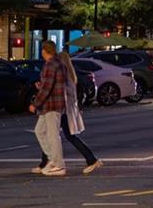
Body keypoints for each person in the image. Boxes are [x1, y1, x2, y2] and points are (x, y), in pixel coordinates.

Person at [34, 52, 102, 175]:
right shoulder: (69, 74)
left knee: (55, 135)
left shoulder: (65, 75)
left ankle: (91, 159)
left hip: (64, 109)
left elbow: (65, 91)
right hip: (65, 108)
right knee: (53, 134)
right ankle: (46, 162)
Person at [29, 40, 66, 176]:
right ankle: (52, 159)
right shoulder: (59, 63)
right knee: (40, 131)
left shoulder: (51, 65)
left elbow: (47, 88)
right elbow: (51, 84)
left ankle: (58, 164)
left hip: (51, 105)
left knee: (52, 135)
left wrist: (35, 103)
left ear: (44, 51)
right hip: (52, 104)